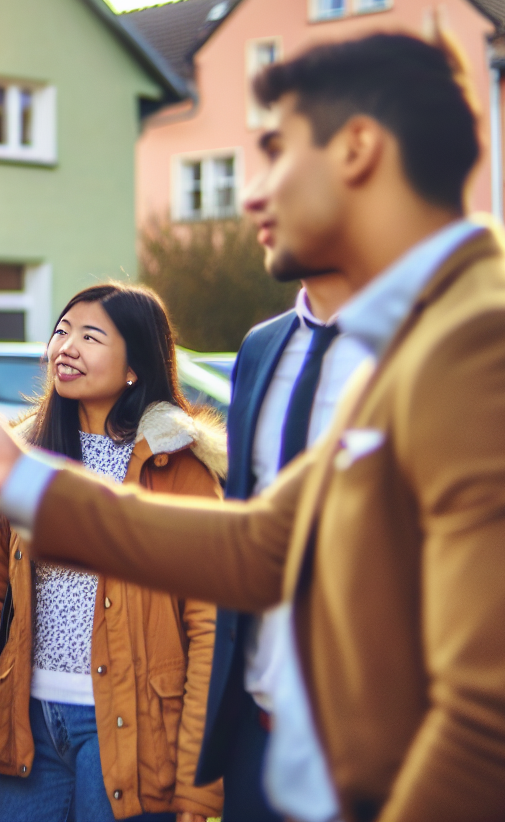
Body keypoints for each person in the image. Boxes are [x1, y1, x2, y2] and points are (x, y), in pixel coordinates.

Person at [0, 32, 505, 822]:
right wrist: (25, 477)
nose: (251, 192)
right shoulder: (412, 340)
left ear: (357, 149)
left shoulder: (495, 345)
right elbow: (264, 546)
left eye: (276, 150)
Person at [0, 282, 224, 822]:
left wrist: (198, 780)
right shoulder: (28, 458)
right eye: (62, 331)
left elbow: (207, 626)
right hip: (33, 723)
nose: (66, 347)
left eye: (91, 336)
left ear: (136, 364)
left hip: (133, 726)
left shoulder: (176, 464)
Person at [196, 267, 357, 822]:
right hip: (258, 735)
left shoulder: (436, 344)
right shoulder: (262, 345)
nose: (256, 194)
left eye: (282, 173)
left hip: (373, 751)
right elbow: (245, 533)